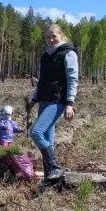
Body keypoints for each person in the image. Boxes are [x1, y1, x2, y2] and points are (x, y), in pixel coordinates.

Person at [27, 24, 78, 185]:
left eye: (53, 36)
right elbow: (41, 80)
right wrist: (34, 99)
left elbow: (72, 79)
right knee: (48, 139)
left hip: (58, 101)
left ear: (61, 36)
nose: (50, 39)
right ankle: (51, 179)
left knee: (36, 132)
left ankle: (55, 167)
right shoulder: (45, 56)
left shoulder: (68, 53)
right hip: (43, 99)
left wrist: (69, 103)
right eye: (47, 37)